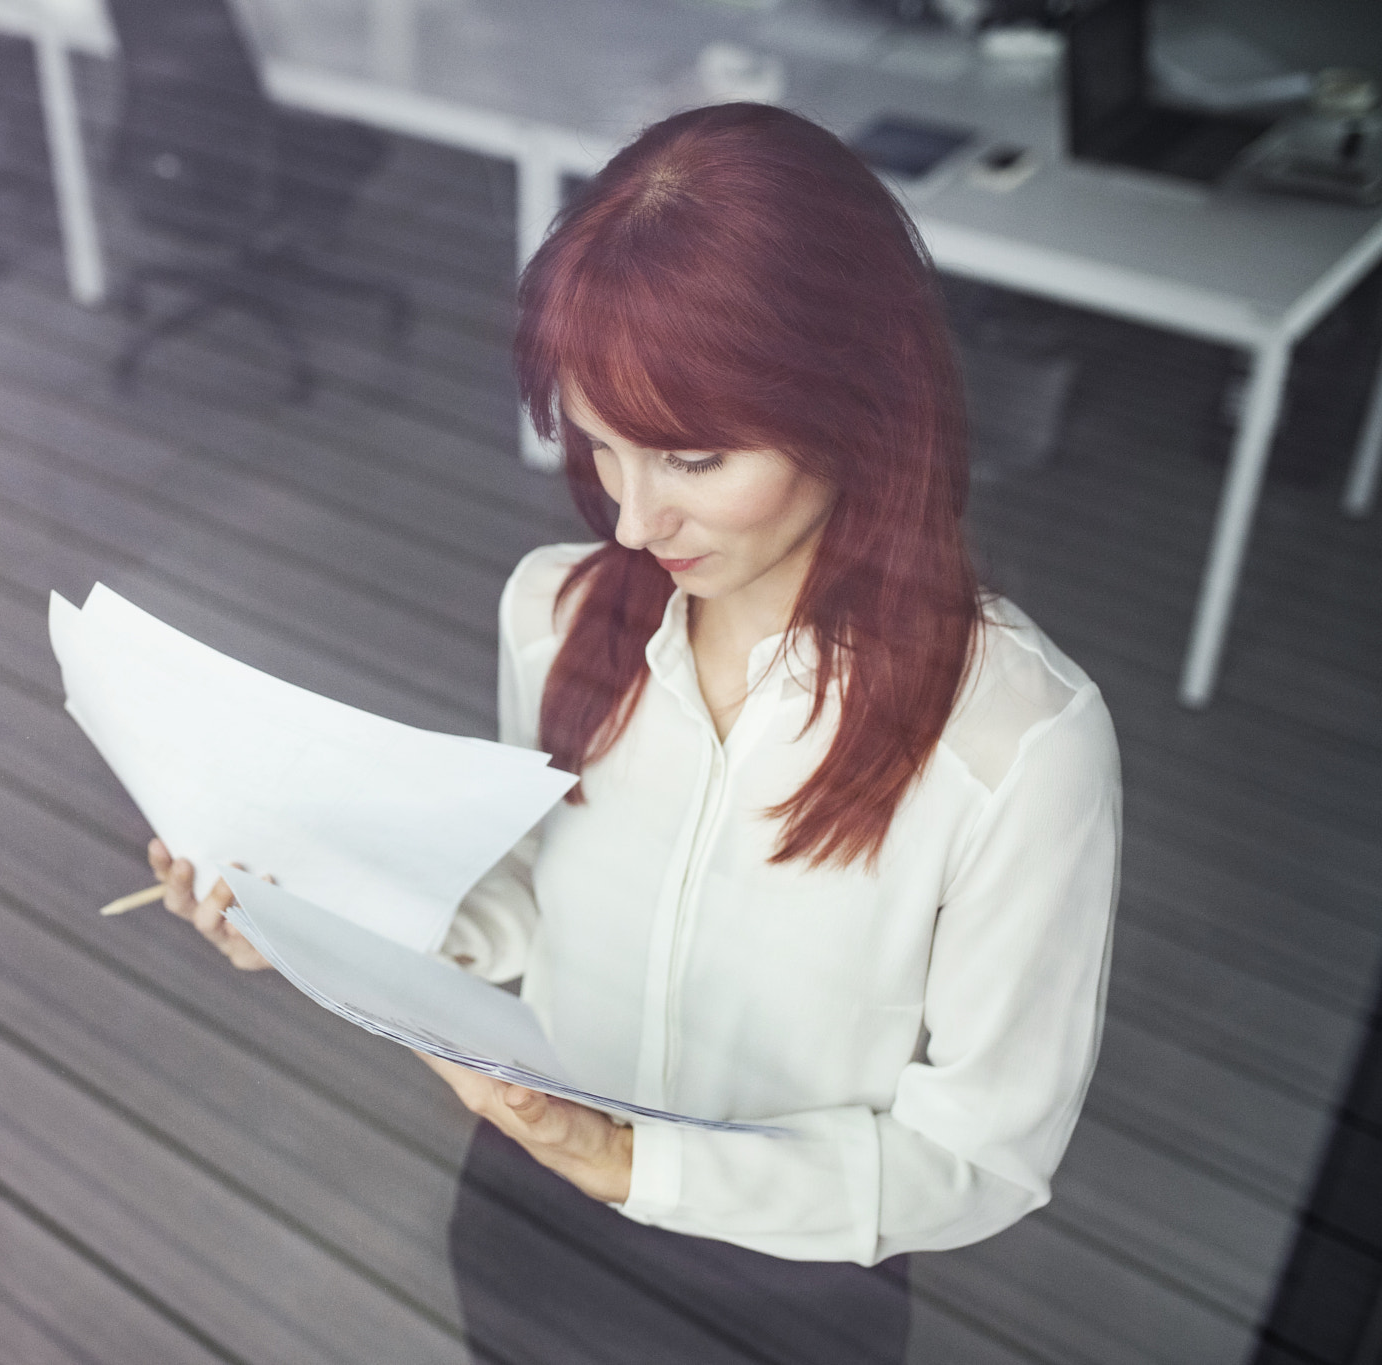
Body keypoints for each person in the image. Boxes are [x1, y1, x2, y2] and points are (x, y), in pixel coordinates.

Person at [149, 102, 1121, 1364]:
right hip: (525, 1203)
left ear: (859, 403)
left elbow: (977, 1155)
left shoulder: (1016, 743)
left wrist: (627, 1160)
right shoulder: (554, 615)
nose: (631, 523)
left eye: (692, 458)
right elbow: (535, 906)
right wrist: (321, 916)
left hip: (793, 1283)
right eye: (601, 447)